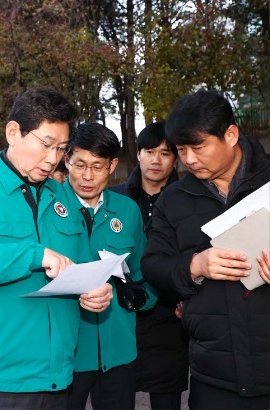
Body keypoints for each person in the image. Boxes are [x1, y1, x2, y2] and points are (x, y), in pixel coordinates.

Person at [0, 87, 113, 409]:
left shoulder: (62, 197)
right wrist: (34, 254)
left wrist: (97, 291)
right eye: (46, 145)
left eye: (61, 149)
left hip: (58, 375)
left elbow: (82, 265)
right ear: (13, 132)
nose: (52, 159)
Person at [142, 90, 270, 410]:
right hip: (214, 376)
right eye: (181, 150)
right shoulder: (173, 200)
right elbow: (153, 265)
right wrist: (194, 266)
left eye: (198, 147)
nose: (188, 160)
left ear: (230, 134)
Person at [63, 123, 157, 410]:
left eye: (98, 166)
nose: (87, 176)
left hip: (118, 350)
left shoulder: (127, 210)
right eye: (79, 165)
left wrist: (142, 298)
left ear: (112, 165)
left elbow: (141, 270)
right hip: (67, 354)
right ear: (66, 161)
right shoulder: (49, 207)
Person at [109, 121, 188, 410]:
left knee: (166, 398)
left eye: (165, 153)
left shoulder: (188, 200)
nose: (156, 160)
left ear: (176, 158)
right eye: (150, 151)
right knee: (114, 398)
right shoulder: (113, 198)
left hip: (167, 317)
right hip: (118, 313)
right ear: (138, 153)